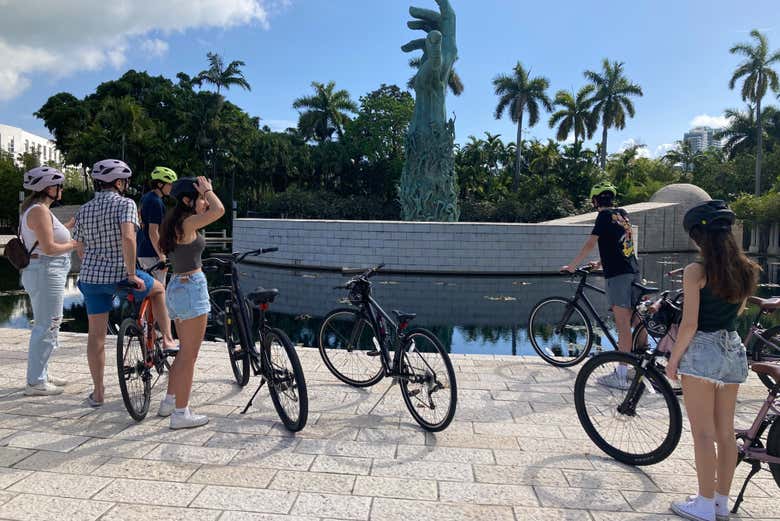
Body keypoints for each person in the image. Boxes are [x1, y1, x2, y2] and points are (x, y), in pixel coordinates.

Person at [666, 200, 760, 521]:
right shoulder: (747, 268)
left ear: (699, 238)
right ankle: (720, 501)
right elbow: (738, 310)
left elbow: (690, 324)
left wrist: (673, 360)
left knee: (702, 433)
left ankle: (703, 504)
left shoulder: (696, 272)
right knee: (724, 432)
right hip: (733, 350)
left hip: (703, 353)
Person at [73, 159, 177, 407]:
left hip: (91, 279)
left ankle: (98, 394)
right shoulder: (126, 204)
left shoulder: (85, 209)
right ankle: (169, 339)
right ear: (119, 183)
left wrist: (93, 260)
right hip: (121, 274)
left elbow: (79, 246)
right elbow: (129, 238)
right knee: (159, 289)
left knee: (96, 336)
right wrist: (131, 273)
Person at [157, 176, 224, 429]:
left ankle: (169, 401)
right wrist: (209, 190)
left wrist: (204, 194)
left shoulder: (174, 221)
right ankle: (181, 413)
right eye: (200, 198)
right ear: (188, 200)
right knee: (189, 355)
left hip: (177, 286)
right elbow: (220, 210)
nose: (205, 201)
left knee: (183, 353)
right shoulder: (188, 222)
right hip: (190, 288)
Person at [563, 181, 640, 389]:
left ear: (595, 200)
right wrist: (599, 263)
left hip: (618, 276)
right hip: (633, 270)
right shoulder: (622, 213)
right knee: (635, 322)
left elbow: (591, 243)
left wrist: (572, 266)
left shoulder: (603, 216)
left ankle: (621, 376)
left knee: (623, 327)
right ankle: (637, 367)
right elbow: (623, 242)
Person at [19, 166, 79, 396]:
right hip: (46, 269)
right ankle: (35, 382)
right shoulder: (39, 211)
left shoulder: (39, 210)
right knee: (48, 324)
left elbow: (50, 236)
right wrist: (74, 245)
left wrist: (68, 227)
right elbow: (50, 247)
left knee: (49, 322)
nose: (61, 189)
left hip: (45, 270)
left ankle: (41, 372)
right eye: (58, 185)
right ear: (48, 188)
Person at [137, 166, 177, 283]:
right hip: (152, 253)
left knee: (149, 291)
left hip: (143, 250)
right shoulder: (155, 202)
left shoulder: (146, 198)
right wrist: (161, 256)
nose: (171, 187)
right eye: (169, 184)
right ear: (160, 184)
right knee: (158, 293)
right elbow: (153, 231)